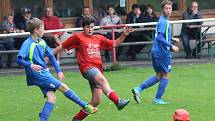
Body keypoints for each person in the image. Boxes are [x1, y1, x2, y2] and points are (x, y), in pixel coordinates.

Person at [16, 18, 97, 121]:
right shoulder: (27, 43)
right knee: (63, 87)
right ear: (36, 30)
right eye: (42, 28)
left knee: (52, 98)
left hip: (43, 72)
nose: (44, 30)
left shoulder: (41, 42)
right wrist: (30, 65)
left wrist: (59, 71)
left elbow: (51, 56)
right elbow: (19, 59)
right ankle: (85, 106)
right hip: (38, 74)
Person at [54, 16, 133, 121]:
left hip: (97, 69)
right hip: (87, 68)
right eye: (87, 27)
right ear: (83, 27)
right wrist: (46, 58)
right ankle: (117, 101)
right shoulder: (77, 37)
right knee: (102, 80)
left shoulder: (98, 38)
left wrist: (124, 35)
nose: (90, 29)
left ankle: (77, 119)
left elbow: (114, 43)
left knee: (96, 100)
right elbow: (61, 47)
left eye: (92, 27)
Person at [132, 0, 180, 105]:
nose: (168, 10)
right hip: (162, 53)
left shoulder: (161, 20)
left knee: (159, 76)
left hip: (156, 51)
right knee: (166, 75)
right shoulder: (164, 21)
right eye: (166, 8)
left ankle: (138, 89)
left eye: (170, 8)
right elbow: (159, 37)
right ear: (162, 9)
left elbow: (161, 35)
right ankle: (157, 99)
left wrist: (171, 38)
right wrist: (172, 46)